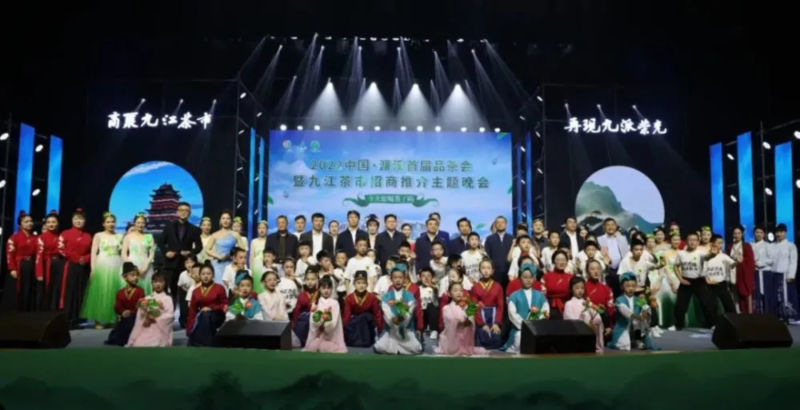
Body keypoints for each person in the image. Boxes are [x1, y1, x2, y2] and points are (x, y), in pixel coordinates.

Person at [82, 212, 124, 327]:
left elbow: (122, 253)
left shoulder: (119, 236)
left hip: (116, 265)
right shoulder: (98, 235)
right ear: (103, 224)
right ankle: (98, 319)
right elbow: (93, 253)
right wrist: (93, 269)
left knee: (114, 292)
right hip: (102, 265)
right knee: (101, 291)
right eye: (108, 222)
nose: (111, 224)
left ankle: (111, 318)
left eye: (113, 222)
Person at [159, 202, 204, 302]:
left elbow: (199, 247)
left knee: (186, 292)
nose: (183, 212)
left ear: (190, 213)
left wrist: (190, 253)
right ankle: (170, 309)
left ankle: (185, 310)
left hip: (186, 265)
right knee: (170, 291)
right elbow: (161, 242)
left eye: (186, 210)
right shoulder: (169, 227)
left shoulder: (194, 229)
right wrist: (166, 252)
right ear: (177, 212)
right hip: (171, 264)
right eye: (181, 210)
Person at [673, 232, 718, 330]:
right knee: (680, 305)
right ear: (686, 241)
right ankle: (678, 325)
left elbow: (708, 257)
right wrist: (680, 279)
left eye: (694, 240)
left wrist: (712, 254)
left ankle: (712, 324)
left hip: (699, 281)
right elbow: (675, 267)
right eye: (690, 240)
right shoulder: (681, 253)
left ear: (698, 241)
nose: (692, 242)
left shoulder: (701, 253)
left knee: (706, 304)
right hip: (686, 281)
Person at [373, 267, 423, 355]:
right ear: (391, 279)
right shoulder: (386, 297)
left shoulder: (410, 296)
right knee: (379, 347)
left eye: (400, 277)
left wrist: (401, 318)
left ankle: (398, 348)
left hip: (405, 330)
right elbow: (387, 314)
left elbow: (409, 315)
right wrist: (393, 319)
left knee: (416, 348)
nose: (398, 280)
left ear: (404, 279)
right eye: (395, 277)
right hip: (391, 330)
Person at [58, 208, 93, 328]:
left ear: (85, 221)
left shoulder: (88, 236)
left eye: (81, 219)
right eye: (76, 219)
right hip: (70, 266)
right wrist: (76, 258)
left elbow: (92, 251)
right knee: (69, 292)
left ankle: (78, 318)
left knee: (81, 291)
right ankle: (68, 318)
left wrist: (85, 259)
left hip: (83, 267)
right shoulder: (65, 233)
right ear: (72, 220)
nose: (78, 221)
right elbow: (61, 249)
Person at [502, 267, 550, 353]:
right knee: (519, 338)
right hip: (520, 329)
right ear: (520, 278)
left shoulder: (540, 295)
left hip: (536, 327)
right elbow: (512, 314)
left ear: (534, 278)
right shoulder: (514, 296)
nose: (528, 280)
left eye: (531, 277)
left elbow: (545, 310)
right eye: (525, 277)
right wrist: (525, 326)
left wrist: (538, 314)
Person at [609, 273, 659, 351]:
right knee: (625, 345)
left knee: (641, 319)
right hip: (624, 327)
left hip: (636, 328)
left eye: (633, 286)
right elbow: (626, 312)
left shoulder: (638, 299)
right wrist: (639, 316)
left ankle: (637, 340)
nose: (631, 288)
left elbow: (646, 308)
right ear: (622, 287)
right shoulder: (619, 300)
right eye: (628, 286)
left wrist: (645, 308)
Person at [435, 282, 486, 356]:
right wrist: (470, 310)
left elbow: (470, 321)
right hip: (451, 343)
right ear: (449, 293)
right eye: (455, 290)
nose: (459, 293)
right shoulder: (446, 308)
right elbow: (456, 322)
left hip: (465, 341)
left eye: (461, 290)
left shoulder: (466, 306)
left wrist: (473, 308)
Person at [127, 272, 174, 347]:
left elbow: (170, 316)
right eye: (155, 282)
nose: (158, 284)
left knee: (155, 343)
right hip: (147, 326)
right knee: (138, 344)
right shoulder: (147, 298)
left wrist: (155, 317)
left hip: (160, 329)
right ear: (152, 283)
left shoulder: (168, 299)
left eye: (160, 281)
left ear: (165, 283)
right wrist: (145, 316)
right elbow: (139, 317)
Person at [187, 261, 228, 346]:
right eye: (203, 274)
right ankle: (208, 343)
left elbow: (224, 305)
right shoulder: (195, 291)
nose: (206, 276)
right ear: (200, 275)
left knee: (206, 315)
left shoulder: (219, 288)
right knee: (203, 316)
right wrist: (189, 329)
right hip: (202, 316)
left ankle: (203, 344)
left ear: (213, 275)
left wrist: (211, 308)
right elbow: (192, 311)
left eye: (208, 274)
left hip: (217, 315)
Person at [4, 212, 39, 311]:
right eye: (26, 222)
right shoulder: (14, 238)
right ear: (20, 224)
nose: (29, 223)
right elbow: (10, 254)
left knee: (29, 289)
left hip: (31, 266)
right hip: (19, 266)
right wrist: (12, 268)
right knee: (18, 290)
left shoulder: (36, 238)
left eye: (31, 221)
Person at [304, 276, 347, 353]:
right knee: (313, 346)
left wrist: (325, 323)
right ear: (320, 289)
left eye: (328, 288)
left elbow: (334, 323)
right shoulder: (316, 302)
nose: (326, 290)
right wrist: (319, 321)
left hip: (331, 336)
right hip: (318, 334)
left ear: (332, 289)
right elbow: (312, 322)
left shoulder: (335, 303)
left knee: (325, 347)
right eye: (323, 288)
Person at [105, 262, 143, 346]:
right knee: (116, 335)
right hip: (124, 318)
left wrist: (131, 312)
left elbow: (141, 306)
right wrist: (122, 312)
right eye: (132, 275)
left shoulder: (140, 291)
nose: (135, 277)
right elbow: (117, 306)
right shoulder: (120, 293)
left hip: (135, 318)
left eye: (137, 275)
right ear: (125, 277)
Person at [564, 276, 604, 353]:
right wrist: (584, 324)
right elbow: (569, 321)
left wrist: (593, 323)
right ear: (571, 289)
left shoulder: (588, 303)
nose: (580, 290)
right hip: (577, 334)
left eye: (582, 288)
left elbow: (597, 316)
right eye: (577, 288)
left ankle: (598, 347)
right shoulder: (569, 304)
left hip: (590, 331)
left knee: (598, 318)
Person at [343, 271, 383, 347]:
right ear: (354, 284)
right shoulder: (349, 298)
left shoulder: (372, 297)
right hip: (355, 323)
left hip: (368, 324)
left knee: (366, 316)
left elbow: (377, 314)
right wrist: (344, 333)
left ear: (367, 285)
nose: (361, 286)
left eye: (364, 283)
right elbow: (346, 316)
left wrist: (379, 329)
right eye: (358, 283)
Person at [471, 259, 504, 350]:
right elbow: (473, 307)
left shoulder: (498, 286)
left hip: (494, 317)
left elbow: (500, 306)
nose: (486, 271)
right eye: (483, 268)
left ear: (492, 271)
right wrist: (481, 324)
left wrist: (497, 323)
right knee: (481, 340)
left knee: (496, 340)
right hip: (480, 318)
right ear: (479, 270)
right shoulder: (475, 287)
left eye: (488, 268)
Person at [703, 234, 738, 315]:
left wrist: (737, 261)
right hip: (710, 286)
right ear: (712, 243)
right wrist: (707, 280)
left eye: (722, 243)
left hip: (722, 284)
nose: (721, 245)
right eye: (718, 243)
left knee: (730, 307)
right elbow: (703, 271)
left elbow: (732, 265)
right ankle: (712, 322)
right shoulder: (706, 256)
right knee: (711, 308)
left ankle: (732, 321)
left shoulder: (723, 256)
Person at [122, 214, 155, 294]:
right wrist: (132, 267)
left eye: (142, 223)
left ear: (145, 224)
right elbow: (123, 254)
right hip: (132, 264)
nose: (140, 225)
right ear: (134, 223)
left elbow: (151, 254)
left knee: (145, 289)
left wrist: (145, 268)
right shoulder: (128, 237)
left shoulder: (149, 237)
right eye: (138, 222)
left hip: (145, 265)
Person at [205, 211, 241, 284]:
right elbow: (207, 249)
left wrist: (233, 255)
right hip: (217, 265)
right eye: (223, 218)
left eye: (228, 218)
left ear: (231, 221)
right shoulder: (215, 235)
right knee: (218, 286)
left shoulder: (235, 234)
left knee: (230, 286)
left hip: (231, 264)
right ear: (220, 220)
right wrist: (219, 256)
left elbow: (242, 250)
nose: (225, 220)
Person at [771, 223, 798, 322]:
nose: (779, 234)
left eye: (781, 232)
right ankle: (780, 316)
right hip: (774, 274)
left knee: (787, 295)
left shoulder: (791, 245)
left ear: (785, 233)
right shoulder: (772, 245)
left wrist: (791, 275)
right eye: (777, 232)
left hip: (785, 274)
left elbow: (793, 261)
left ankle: (792, 317)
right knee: (777, 296)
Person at [36, 211, 63, 311]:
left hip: (59, 264)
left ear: (58, 223)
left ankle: (55, 310)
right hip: (47, 265)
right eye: (48, 222)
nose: (51, 224)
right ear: (46, 224)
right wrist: (39, 273)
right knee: (47, 289)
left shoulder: (61, 236)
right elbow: (39, 256)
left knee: (58, 288)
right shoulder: (42, 237)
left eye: (53, 222)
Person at [726, 225, 755, 313]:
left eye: (739, 233)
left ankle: (747, 315)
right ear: (732, 234)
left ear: (742, 234)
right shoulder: (729, 247)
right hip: (732, 274)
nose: (737, 235)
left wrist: (742, 261)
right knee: (734, 295)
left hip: (742, 274)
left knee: (744, 295)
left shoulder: (746, 246)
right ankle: (737, 313)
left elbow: (750, 261)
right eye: (735, 233)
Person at [597, 218, 630, 297]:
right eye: (608, 225)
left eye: (612, 225)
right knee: (609, 294)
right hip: (607, 271)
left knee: (622, 292)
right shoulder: (599, 239)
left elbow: (626, 254)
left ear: (616, 226)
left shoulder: (622, 238)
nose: (610, 227)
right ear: (604, 227)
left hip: (621, 269)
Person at [584, 260, 615, 338]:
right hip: (588, 322)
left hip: (604, 323)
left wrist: (610, 326)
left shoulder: (607, 289)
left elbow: (610, 309)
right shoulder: (583, 287)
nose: (596, 271)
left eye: (598, 269)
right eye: (592, 269)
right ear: (587, 271)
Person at [292, 268, 320, 347]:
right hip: (304, 323)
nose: (310, 282)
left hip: (317, 321)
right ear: (304, 281)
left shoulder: (320, 293)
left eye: (313, 279)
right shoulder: (302, 295)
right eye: (307, 279)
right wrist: (294, 325)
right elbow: (297, 312)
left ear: (317, 280)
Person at [542, 250, 574, 319]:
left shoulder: (571, 277)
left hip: (567, 306)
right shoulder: (546, 276)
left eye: (563, 260)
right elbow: (542, 293)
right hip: (550, 306)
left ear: (567, 262)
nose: (561, 262)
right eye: (558, 260)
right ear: (553, 261)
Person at [484, 216, 514, 288]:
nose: (500, 224)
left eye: (502, 222)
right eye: (498, 222)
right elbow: (487, 255)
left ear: (506, 224)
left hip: (509, 272)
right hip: (495, 273)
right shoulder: (489, 239)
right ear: (495, 224)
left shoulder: (511, 238)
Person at [752, 225, 773, 313]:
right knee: (756, 294)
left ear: (764, 234)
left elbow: (771, 259)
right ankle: (758, 314)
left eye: (761, 232)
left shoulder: (768, 245)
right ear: (754, 234)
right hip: (755, 273)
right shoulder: (751, 245)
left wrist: (760, 263)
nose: (759, 234)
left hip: (766, 273)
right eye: (757, 232)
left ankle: (768, 314)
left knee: (767, 294)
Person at [417, 267, 439, 340]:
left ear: (432, 278)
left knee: (431, 305)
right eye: (423, 276)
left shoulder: (435, 288)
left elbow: (437, 292)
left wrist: (433, 287)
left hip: (431, 312)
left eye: (428, 276)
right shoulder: (417, 288)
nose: (426, 278)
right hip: (421, 313)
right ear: (420, 278)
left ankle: (434, 330)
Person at [176, 255, 198, 328]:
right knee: (184, 307)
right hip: (185, 290)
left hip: (196, 292)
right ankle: (183, 321)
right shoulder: (182, 274)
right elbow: (180, 285)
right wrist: (188, 291)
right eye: (187, 263)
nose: (189, 264)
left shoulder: (198, 272)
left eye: (191, 262)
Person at [250, 220, 269, 293]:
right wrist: (251, 270)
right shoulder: (254, 241)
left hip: (266, 266)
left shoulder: (269, 240)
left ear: (267, 229)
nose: (261, 230)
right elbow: (251, 257)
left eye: (263, 228)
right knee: (257, 288)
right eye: (259, 228)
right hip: (256, 267)